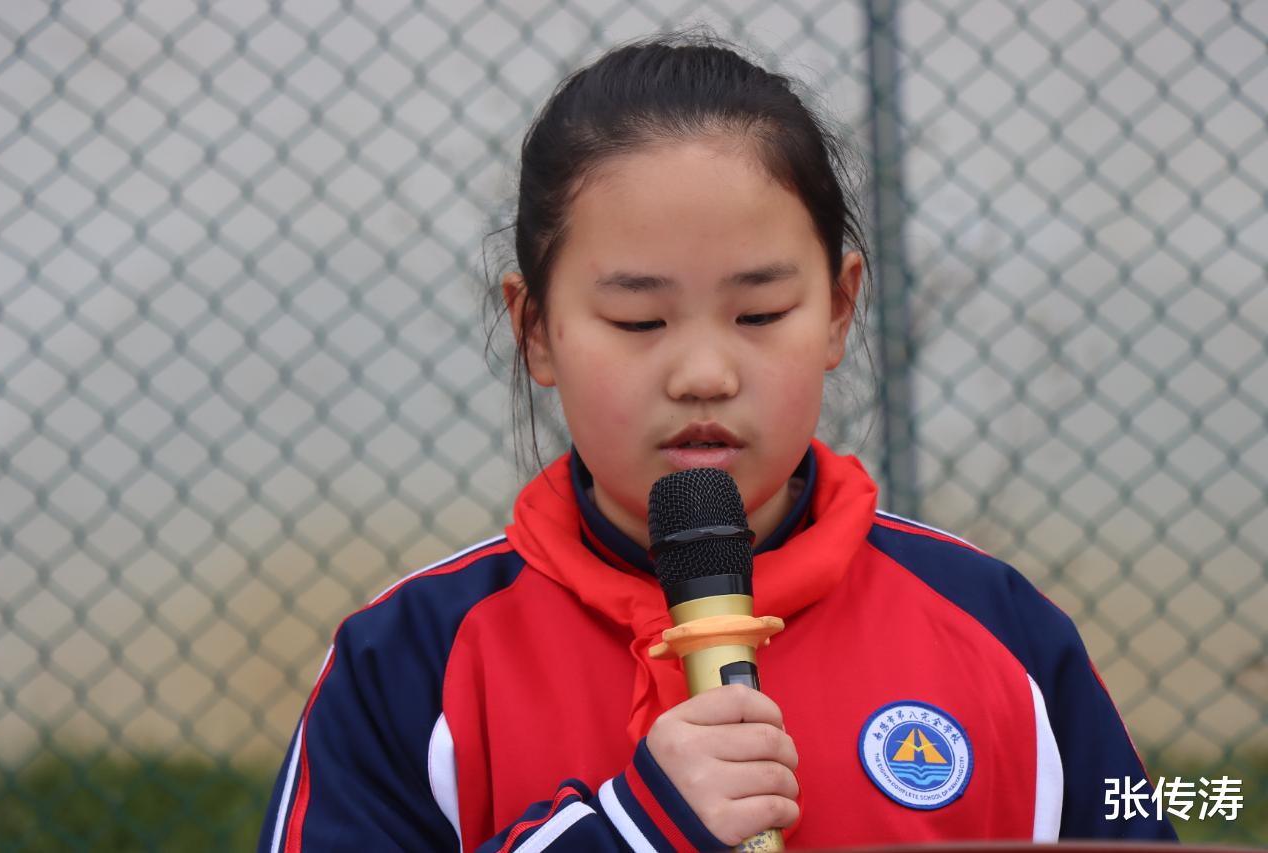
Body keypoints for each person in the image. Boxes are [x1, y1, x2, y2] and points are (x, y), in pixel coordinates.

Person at [259, 34, 1177, 852]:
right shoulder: (410, 662)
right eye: (638, 320)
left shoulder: (1001, 633)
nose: (703, 373)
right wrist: (630, 832)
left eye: (760, 312)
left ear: (839, 311)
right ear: (535, 329)